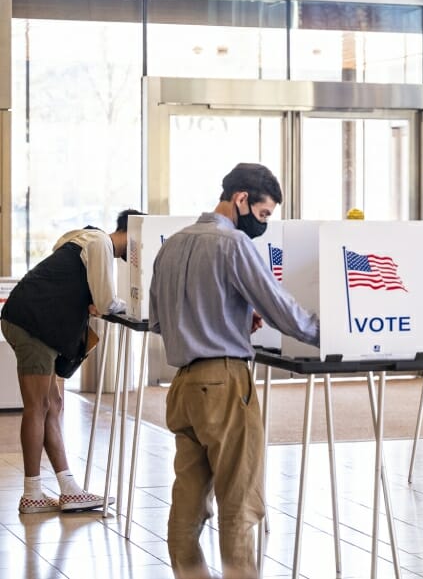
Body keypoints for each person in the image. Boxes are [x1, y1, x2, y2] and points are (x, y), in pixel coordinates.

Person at [149, 163, 320, 579]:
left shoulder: (171, 245)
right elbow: (284, 312)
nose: (262, 224)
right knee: (240, 504)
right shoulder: (234, 245)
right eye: (262, 214)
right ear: (241, 199)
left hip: (183, 386)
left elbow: (157, 320)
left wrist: (232, 318)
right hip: (225, 384)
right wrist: (335, 336)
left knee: (187, 505)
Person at [1, 208, 142, 514]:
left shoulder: (84, 237)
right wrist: (123, 307)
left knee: (53, 405)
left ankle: (68, 490)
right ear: (131, 234)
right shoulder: (100, 243)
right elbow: (106, 303)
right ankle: (32, 493)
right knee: (38, 407)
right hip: (33, 325)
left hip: (32, 322)